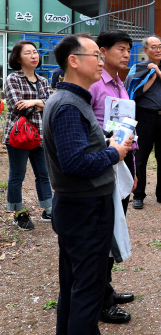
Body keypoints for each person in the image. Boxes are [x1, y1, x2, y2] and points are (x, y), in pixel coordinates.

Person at [44, 33, 133, 335]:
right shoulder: (69, 105)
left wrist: (106, 143)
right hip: (84, 208)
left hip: (77, 206)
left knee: (74, 283)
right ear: (74, 61)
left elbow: (77, 150)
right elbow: (75, 163)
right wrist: (114, 152)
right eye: (95, 55)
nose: (100, 60)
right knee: (88, 289)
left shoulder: (70, 100)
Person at [89, 30, 137, 324]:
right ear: (102, 52)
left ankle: (105, 287)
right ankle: (101, 300)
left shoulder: (121, 83)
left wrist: (132, 169)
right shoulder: (94, 86)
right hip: (102, 165)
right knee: (103, 233)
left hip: (123, 163)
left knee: (115, 229)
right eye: (121, 48)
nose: (126, 54)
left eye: (129, 49)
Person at [124, 36, 161, 209]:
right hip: (144, 117)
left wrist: (158, 71)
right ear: (146, 51)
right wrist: (150, 76)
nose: (158, 50)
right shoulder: (138, 68)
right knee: (141, 157)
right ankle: (138, 194)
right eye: (154, 47)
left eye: (160, 46)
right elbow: (133, 91)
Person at [3, 40, 53, 230]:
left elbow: (52, 106)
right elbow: (18, 106)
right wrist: (42, 103)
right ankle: (18, 213)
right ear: (18, 58)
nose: (34, 56)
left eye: (35, 52)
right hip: (19, 136)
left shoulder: (43, 81)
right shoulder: (13, 79)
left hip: (40, 135)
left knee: (44, 174)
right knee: (17, 175)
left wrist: (34, 103)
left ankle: (48, 209)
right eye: (28, 53)